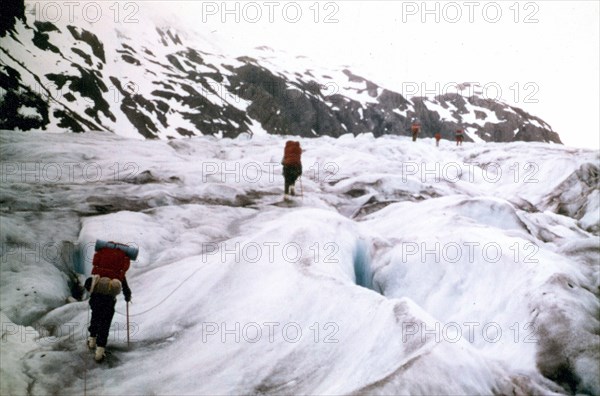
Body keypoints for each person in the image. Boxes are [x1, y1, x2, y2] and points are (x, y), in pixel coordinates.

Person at [85, 244, 132, 362]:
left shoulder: (100, 265)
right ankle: (100, 351)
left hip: (96, 297)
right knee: (105, 323)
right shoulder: (118, 270)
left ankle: (92, 340)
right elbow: (123, 283)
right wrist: (127, 295)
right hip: (108, 300)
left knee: (95, 317)